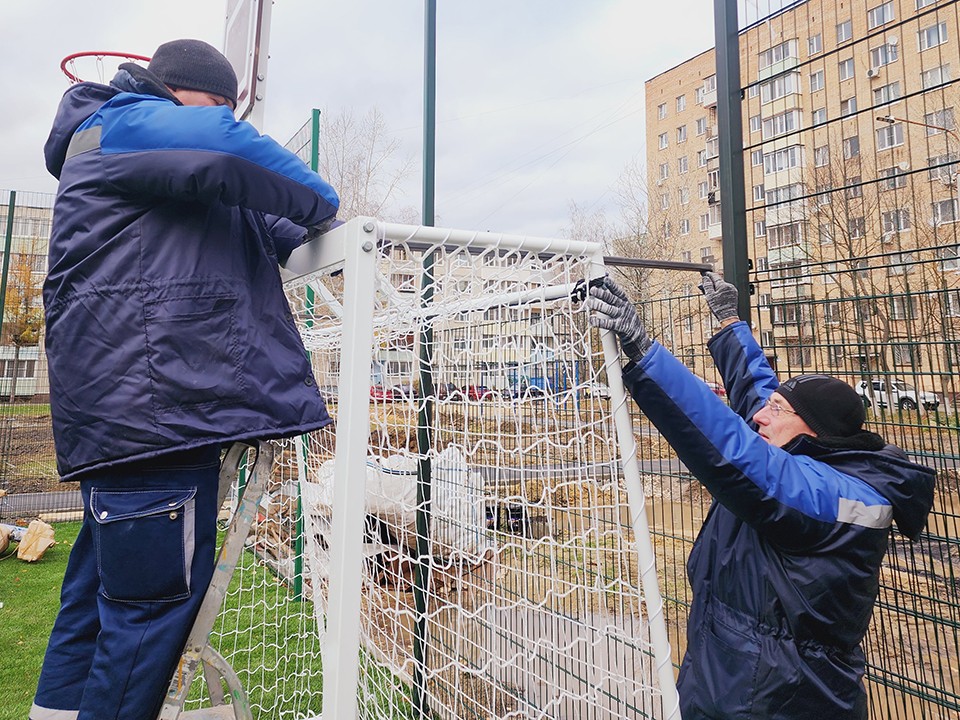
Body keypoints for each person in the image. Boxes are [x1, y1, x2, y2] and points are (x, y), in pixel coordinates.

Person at [32, 39, 339, 720]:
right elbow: (224, 150)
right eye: (219, 102)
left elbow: (256, 217)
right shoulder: (119, 121)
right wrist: (324, 199)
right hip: (157, 415)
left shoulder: (150, 167)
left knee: (94, 605)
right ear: (176, 92)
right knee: (144, 623)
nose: (227, 114)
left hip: (137, 417)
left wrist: (328, 231)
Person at [587, 273, 935, 719]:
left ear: (814, 432)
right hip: (730, 675)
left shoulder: (843, 497)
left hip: (780, 696)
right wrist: (729, 322)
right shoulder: (798, 442)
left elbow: (734, 451)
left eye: (777, 410)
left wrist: (645, 352)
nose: (760, 417)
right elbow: (759, 391)